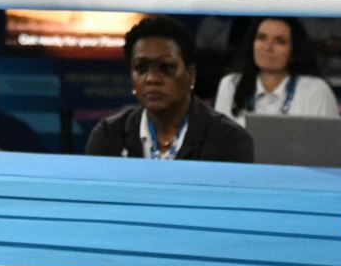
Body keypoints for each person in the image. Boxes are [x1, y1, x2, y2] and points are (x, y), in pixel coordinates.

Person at [85, 16, 253, 162]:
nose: (152, 78)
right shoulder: (108, 135)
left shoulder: (228, 139)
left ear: (191, 75)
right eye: (141, 67)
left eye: (166, 67)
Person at [212, 16, 341, 121]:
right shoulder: (230, 85)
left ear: (294, 51)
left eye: (280, 41)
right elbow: (219, 147)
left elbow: (330, 150)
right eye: (261, 38)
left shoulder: (316, 90)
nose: (268, 47)